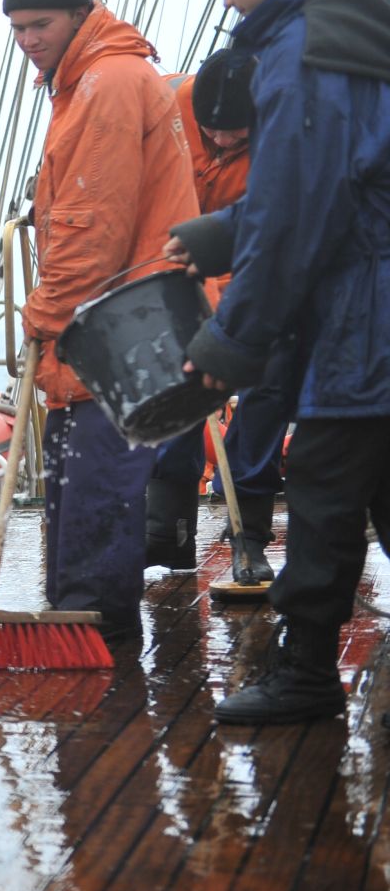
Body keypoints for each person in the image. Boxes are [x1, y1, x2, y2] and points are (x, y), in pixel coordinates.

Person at [174, 0, 390, 725]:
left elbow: (302, 212)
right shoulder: (358, 26)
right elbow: (347, 179)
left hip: (367, 315)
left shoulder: (303, 50)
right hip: (370, 286)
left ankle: (304, 677)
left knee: (327, 488)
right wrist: (228, 229)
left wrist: (233, 338)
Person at [4, 0, 198, 640]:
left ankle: (96, 653)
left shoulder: (106, 84)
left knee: (94, 500)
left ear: (80, 13)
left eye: (40, 23)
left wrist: (44, 314)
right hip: (115, 324)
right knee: (80, 497)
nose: (28, 38)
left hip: (115, 330)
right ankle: (82, 633)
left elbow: (92, 224)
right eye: (18, 27)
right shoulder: (89, 81)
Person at [145, 48, 290, 579]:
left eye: (238, 134)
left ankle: (248, 532)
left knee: (269, 381)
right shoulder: (156, 104)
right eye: (213, 132)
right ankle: (166, 528)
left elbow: (277, 235)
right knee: (179, 371)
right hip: (168, 263)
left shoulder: (287, 135)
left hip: (250, 272)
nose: (225, 143)